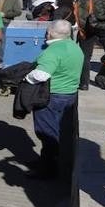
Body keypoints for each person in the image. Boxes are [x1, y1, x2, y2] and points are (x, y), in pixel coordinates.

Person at [21, 20, 83, 180]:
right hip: (69, 95)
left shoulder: (52, 51)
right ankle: (50, 162)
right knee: (61, 132)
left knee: (47, 133)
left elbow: (42, 74)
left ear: (50, 32)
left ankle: (49, 168)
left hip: (51, 96)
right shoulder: (75, 47)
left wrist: (26, 77)